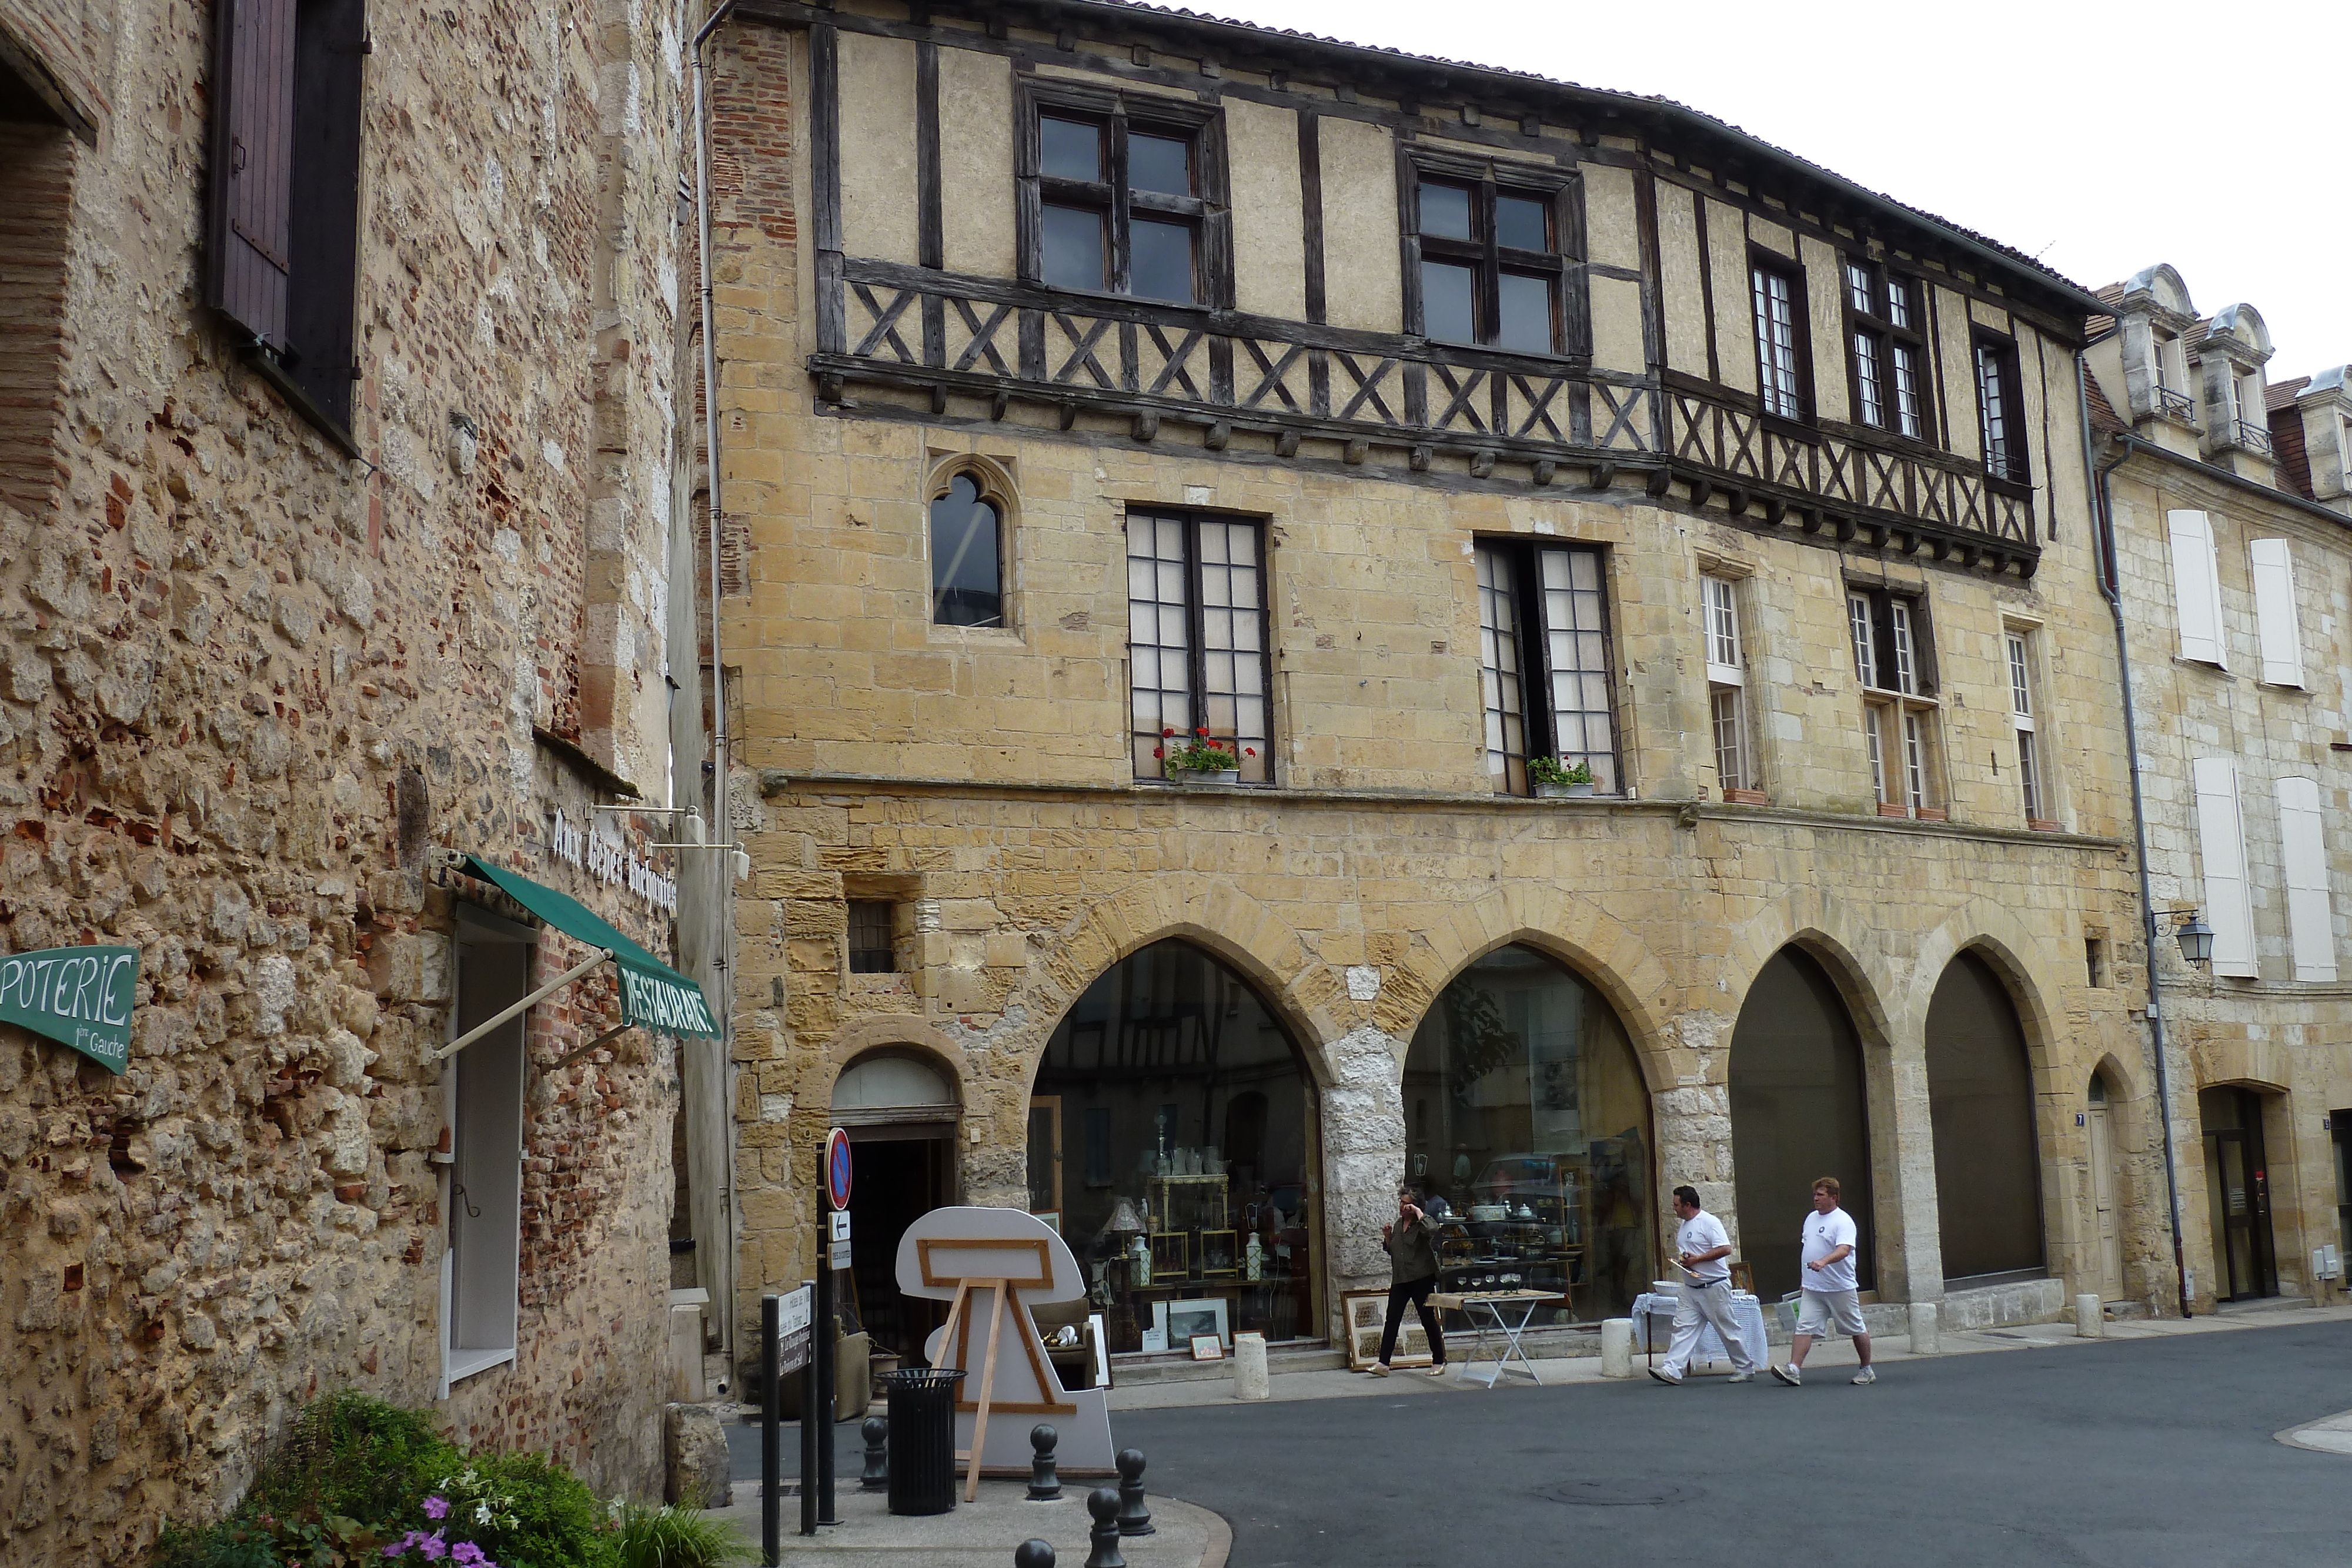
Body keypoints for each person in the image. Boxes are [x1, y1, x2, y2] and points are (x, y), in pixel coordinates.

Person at [1647, 1185, 1756, 1386]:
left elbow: (1725, 1249)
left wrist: (1697, 1259)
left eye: (1677, 1205)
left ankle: (1745, 1367)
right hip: (1691, 1288)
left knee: (1727, 1329)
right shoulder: (1685, 1225)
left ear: (1688, 1205)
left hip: (1713, 1286)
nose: (1674, 1208)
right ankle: (1672, 1369)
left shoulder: (1709, 1222)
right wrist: (1686, 1260)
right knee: (1682, 1328)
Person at [1770, 1176, 1875, 1386]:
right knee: (1804, 1326)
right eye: (1815, 1195)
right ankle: (1793, 1369)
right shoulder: (1811, 1219)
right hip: (1813, 1287)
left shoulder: (1843, 1221)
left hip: (1839, 1287)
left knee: (1855, 1327)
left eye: (1821, 1195)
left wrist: (1824, 1261)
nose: (1816, 1199)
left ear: (1834, 1198)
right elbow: (1808, 1249)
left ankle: (1867, 1369)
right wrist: (1804, 1279)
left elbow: (1844, 1249)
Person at [1372, 1183, 1448, 1378]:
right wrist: (1388, 1238)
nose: (1402, 1207)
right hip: (1401, 1279)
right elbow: (1394, 1250)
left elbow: (1432, 1229)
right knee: (1392, 1320)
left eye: (1407, 1204)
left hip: (1421, 1278)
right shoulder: (1399, 1225)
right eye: (1401, 1202)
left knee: (1427, 1319)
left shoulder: (1422, 1224)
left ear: (1415, 1206)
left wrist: (1417, 1212)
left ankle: (1439, 1360)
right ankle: (1383, 1363)